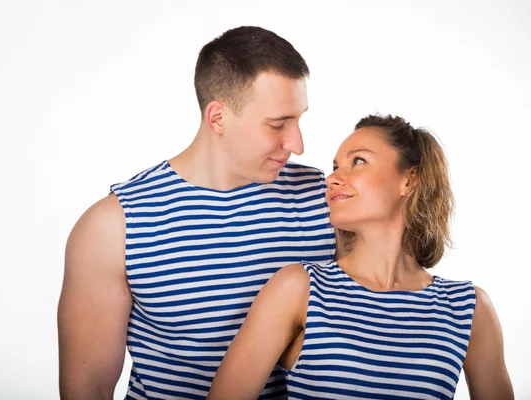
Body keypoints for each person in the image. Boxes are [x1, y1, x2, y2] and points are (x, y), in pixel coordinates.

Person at [57, 26, 339, 399]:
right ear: (218, 118)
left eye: (299, 119)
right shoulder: (115, 227)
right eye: (277, 124)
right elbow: (87, 390)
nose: (297, 144)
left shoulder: (325, 201)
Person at [208, 115, 514, 400]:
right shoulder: (299, 288)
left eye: (358, 161)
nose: (333, 179)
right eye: (335, 167)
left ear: (409, 180)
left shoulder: (469, 308)